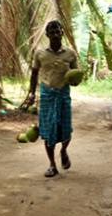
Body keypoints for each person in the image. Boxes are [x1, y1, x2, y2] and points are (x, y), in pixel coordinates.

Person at [24, 20, 79, 178]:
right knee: (48, 131)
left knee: (66, 130)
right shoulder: (40, 53)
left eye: (58, 31)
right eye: (52, 32)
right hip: (47, 95)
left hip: (63, 94)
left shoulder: (70, 53)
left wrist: (74, 80)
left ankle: (63, 151)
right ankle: (52, 165)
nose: (55, 35)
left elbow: (76, 75)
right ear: (47, 35)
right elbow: (34, 73)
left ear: (62, 33)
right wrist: (31, 93)